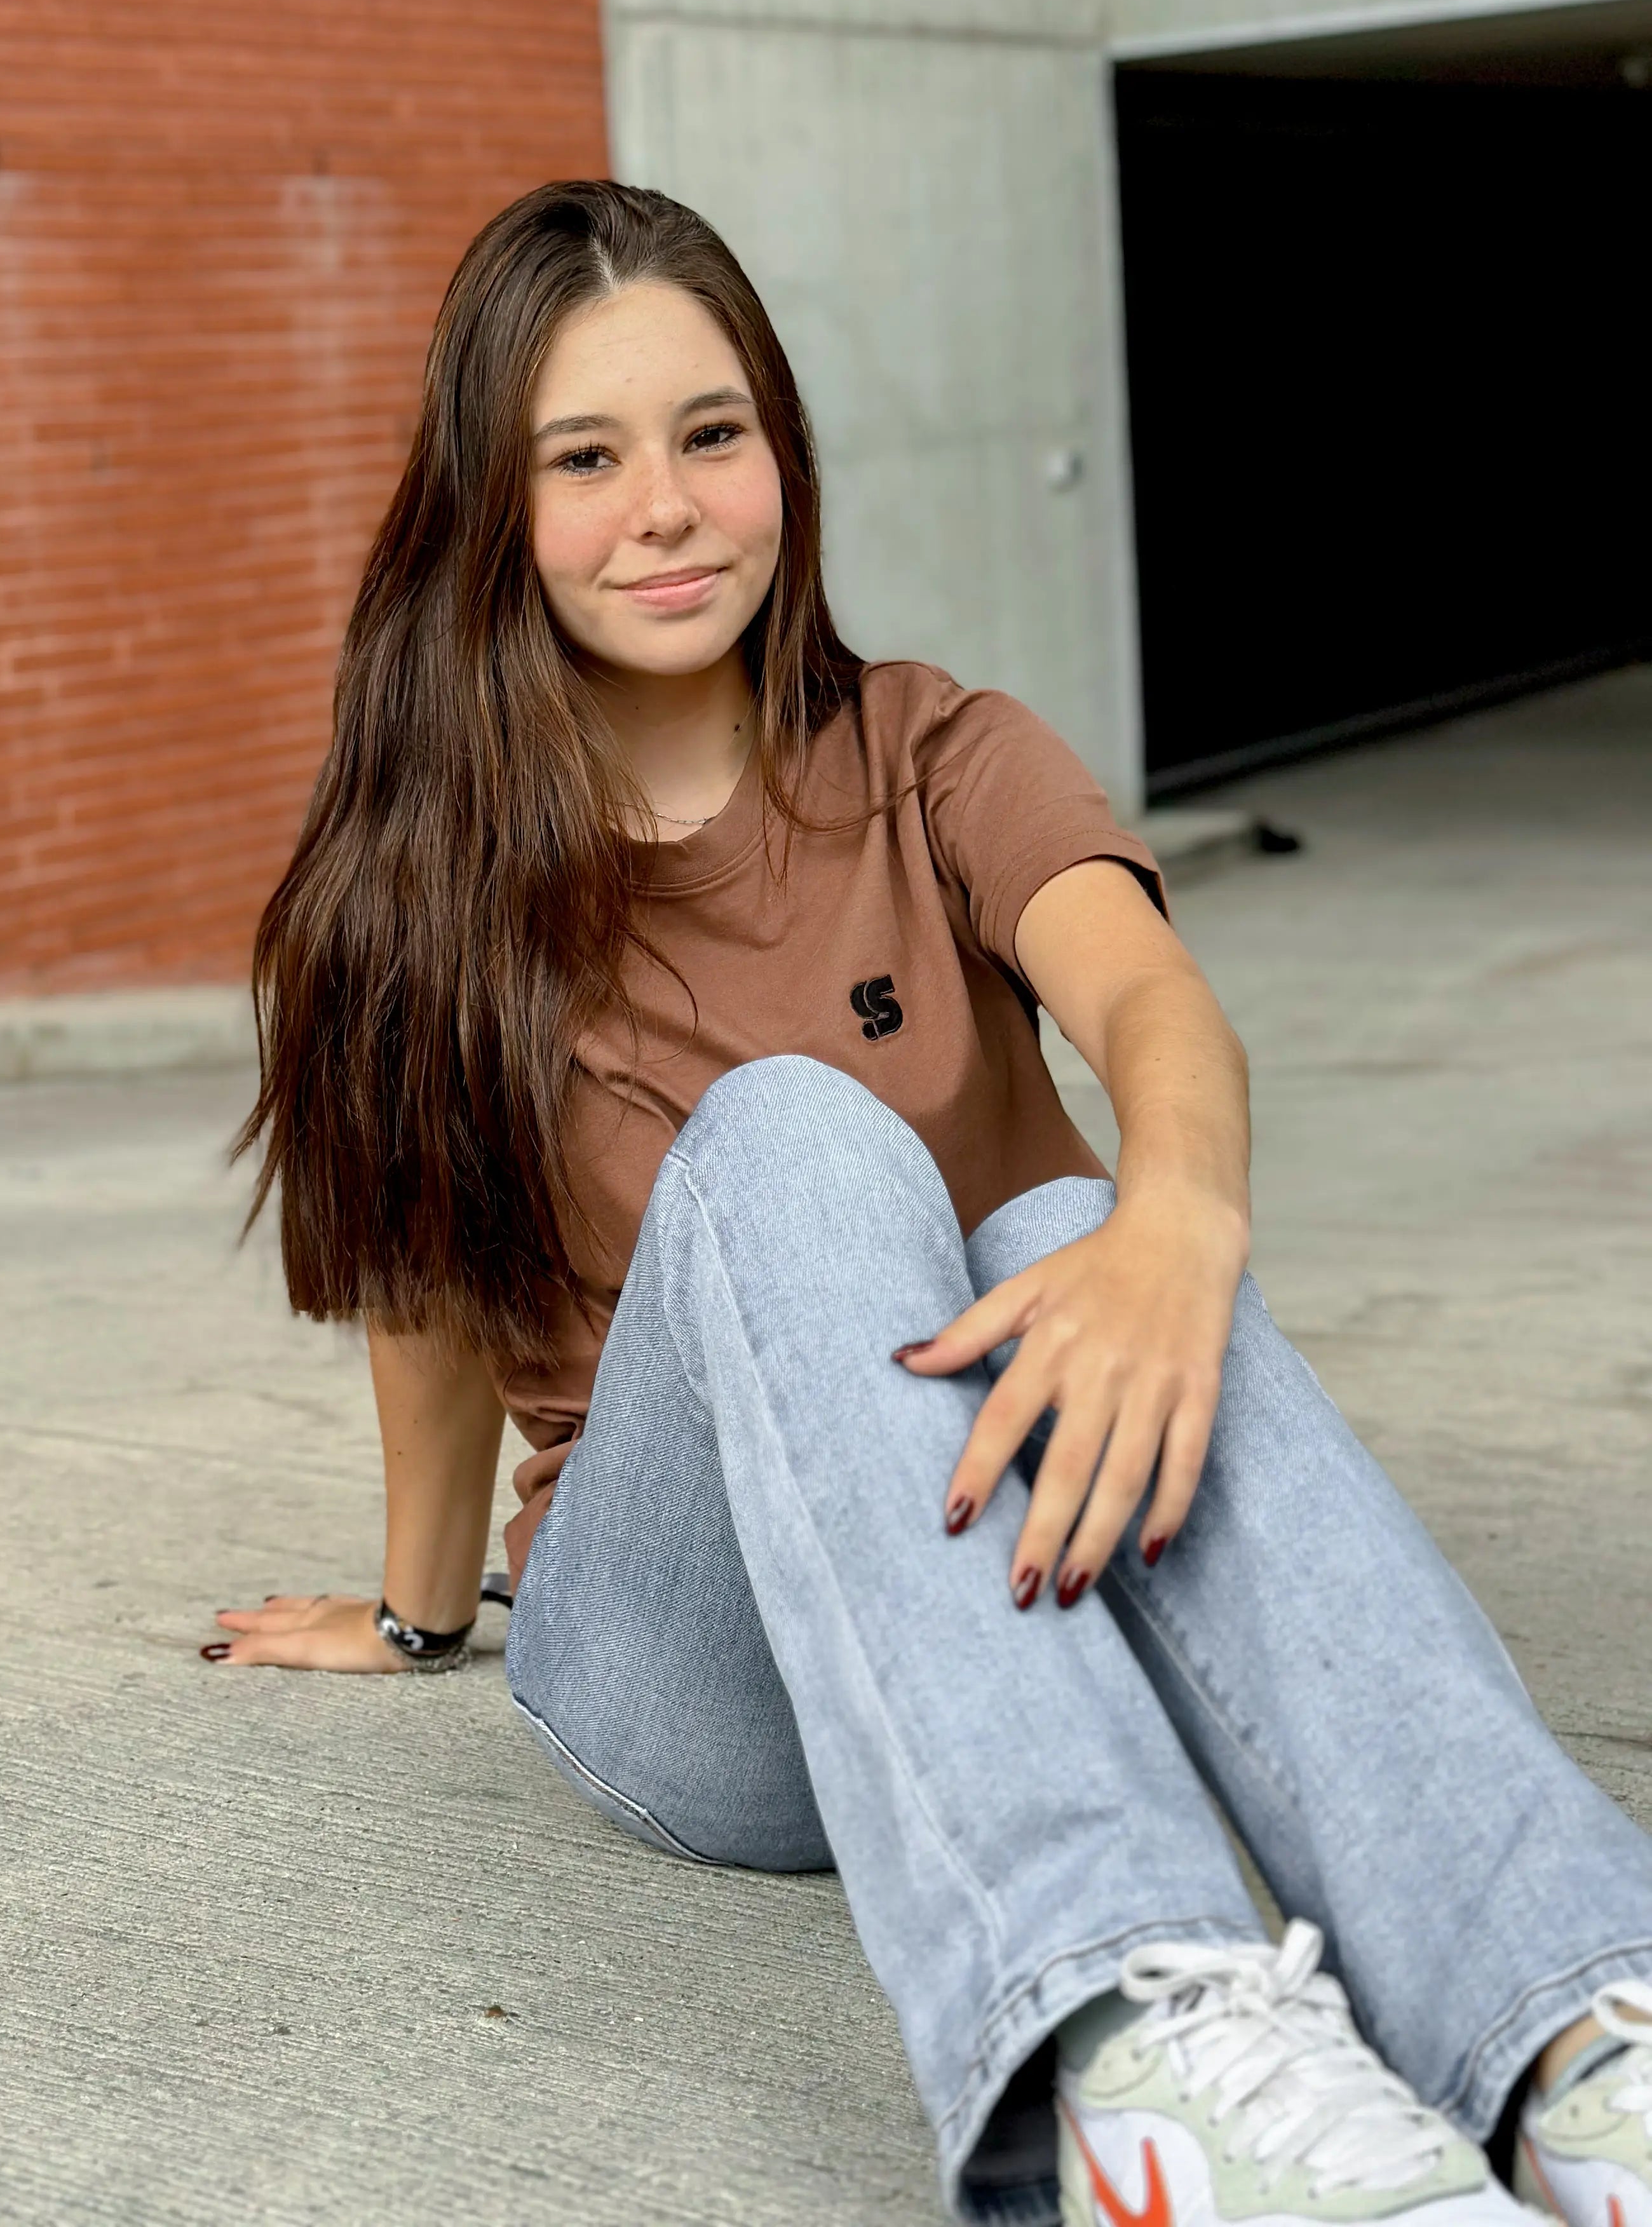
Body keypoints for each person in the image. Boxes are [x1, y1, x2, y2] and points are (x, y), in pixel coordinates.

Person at [205, 181, 1652, 2227]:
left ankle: (1583, 2026)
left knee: (1072, 1235)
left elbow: (1151, 996)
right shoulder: (407, 896)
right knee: (798, 1135)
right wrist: (425, 1613)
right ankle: (1132, 2067)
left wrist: (1176, 1233)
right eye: (586, 460)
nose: (670, 509)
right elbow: (426, 1309)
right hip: (700, 1667)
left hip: (1014, 1567)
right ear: (491, 512)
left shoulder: (925, 752)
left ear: (782, 450)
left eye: (714, 435)